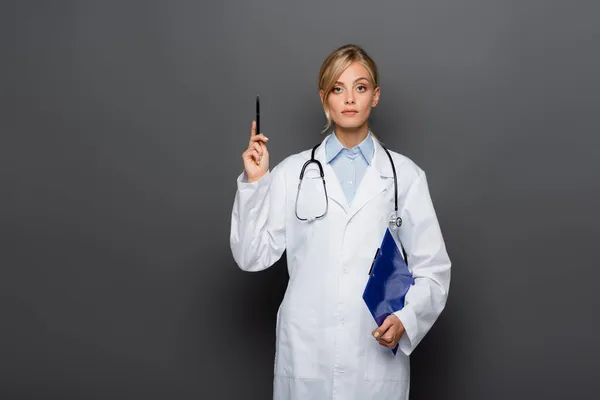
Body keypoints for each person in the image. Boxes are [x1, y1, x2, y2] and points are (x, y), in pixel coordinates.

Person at [230, 44, 451, 400]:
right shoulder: (293, 173)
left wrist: (407, 320)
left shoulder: (405, 176)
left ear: (375, 96)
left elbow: (433, 269)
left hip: (373, 356)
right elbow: (251, 255)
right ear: (324, 98)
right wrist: (256, 184)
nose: (349, 98)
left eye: (360, 88)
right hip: (306, 356)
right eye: (338, 88)